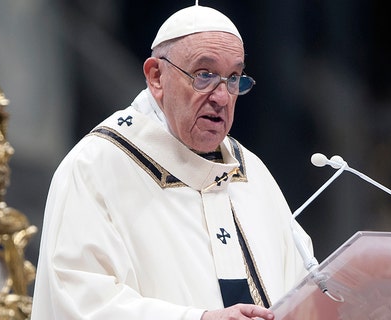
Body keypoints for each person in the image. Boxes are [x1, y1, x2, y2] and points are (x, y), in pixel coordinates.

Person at [31, 3, 313, 320]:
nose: (222, 97)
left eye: (234, 78)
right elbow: (79, 301)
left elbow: (305, 285)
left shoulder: (252, 173)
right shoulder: (94, 167)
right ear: (156, 77)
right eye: (205, 75)